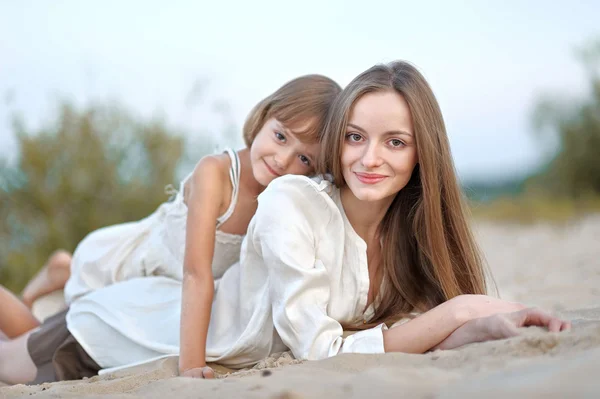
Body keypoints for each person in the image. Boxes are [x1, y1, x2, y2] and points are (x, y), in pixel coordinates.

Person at [0, 61, 569, 386]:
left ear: (424, 154)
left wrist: (489, 321)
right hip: (122, 332)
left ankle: (43, 284)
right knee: (11, 358)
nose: (370, 159)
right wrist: (466, 309)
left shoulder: (399, 238)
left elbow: (408, 337)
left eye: (395, 142)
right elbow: (322, 347)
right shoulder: (284, 203)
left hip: (148, 305)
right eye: (356, 137)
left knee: (25, 330)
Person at [0, 73, 341, 384]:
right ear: (264, 116)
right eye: (281, 136)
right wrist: (191, 364)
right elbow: (196, 273)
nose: (283, 160)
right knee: (45, 334)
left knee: (48, 334)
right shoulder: (216, 174)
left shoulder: (281, 198)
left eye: (305, 159)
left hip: (165, 282)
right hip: (131, 263)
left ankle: (60, 271)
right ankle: (61, 272)